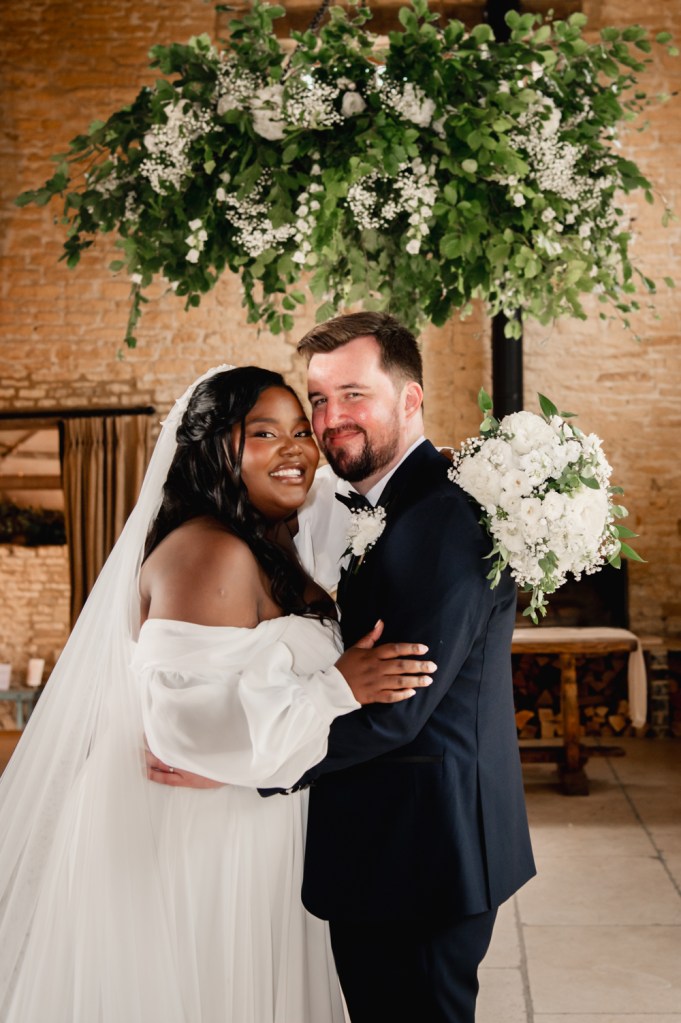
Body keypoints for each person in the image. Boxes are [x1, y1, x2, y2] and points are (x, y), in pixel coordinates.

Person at [0, 364, 434, 1023]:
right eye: (264, 432)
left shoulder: (258, 546)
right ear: (209, 449)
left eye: (299, 431)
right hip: (207, 846)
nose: (295, 449)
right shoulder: (210, 552)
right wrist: (338, 686)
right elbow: (183, 726)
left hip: (252, 828)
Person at [291, 312, 537, 1023]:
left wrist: (254, 762)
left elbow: (394, 711)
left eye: (352, 394)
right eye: (317, 398)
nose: (329, 418)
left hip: (418, 857)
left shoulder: (437, 522)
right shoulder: (403, 503)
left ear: (409, 399)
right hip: (404, 848)